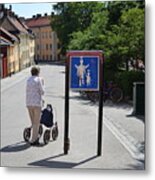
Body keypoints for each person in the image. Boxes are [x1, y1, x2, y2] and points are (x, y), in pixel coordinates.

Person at [26, 66, 45, 146]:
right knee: (36, 122)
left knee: (33, 121)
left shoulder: (28, 80)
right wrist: (43, 83)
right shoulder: (39, 80)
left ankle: (33, 135)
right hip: (37, 103)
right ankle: (34, 140)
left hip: (29, 103)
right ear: (38, 72)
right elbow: (42, 92)